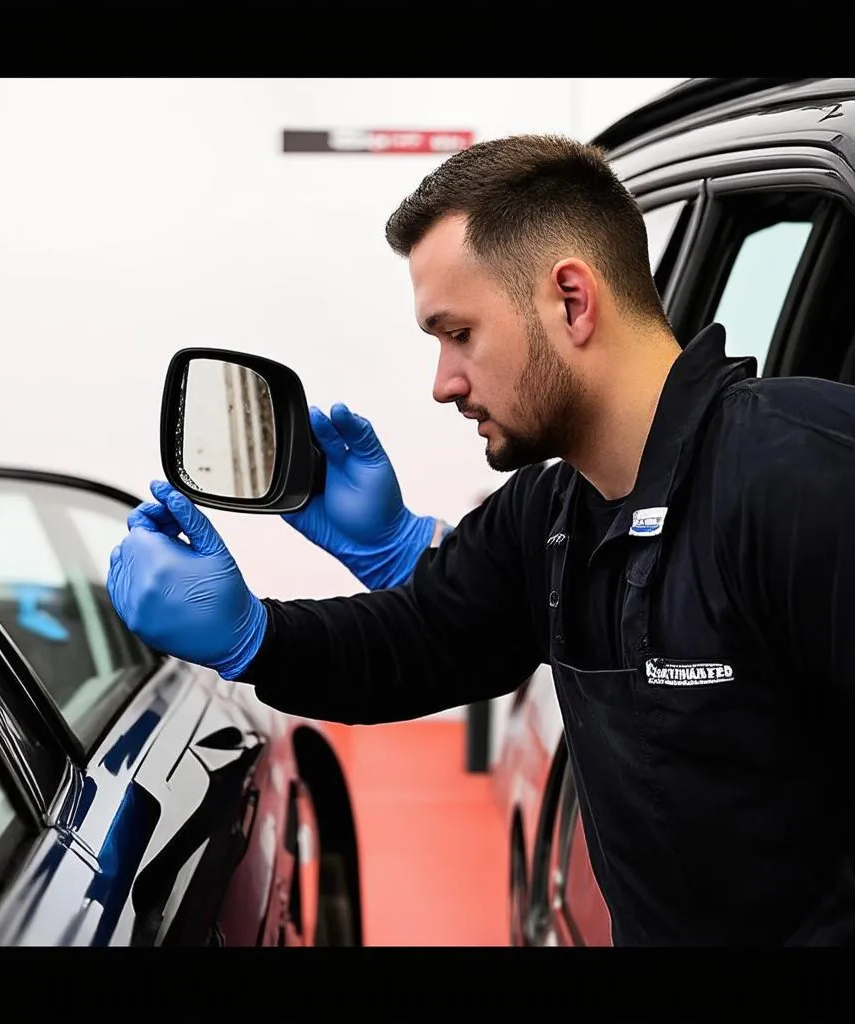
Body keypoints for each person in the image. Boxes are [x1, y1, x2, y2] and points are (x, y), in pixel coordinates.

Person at [107, 134, 855, 946]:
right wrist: (252, 636)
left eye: (457, 333)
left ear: (571, 301)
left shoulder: (805, 478)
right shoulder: (554, 510)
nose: (442, 384)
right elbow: (419, 639)